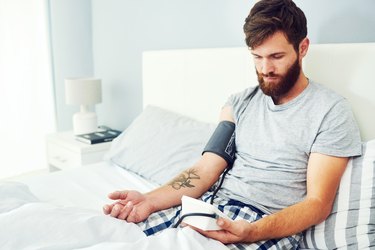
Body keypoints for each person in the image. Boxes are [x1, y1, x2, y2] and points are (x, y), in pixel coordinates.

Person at [103, 0, 362, 249]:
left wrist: (253, 231)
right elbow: (206, 169)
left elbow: (318, 203)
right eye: (257, 57)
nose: (265, 68)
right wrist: (149, 200)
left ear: (302, 48)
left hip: (262, 223)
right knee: (110, 233)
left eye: (276, 56)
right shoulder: (238, 104)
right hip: (206, 208)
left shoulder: (331, 111)